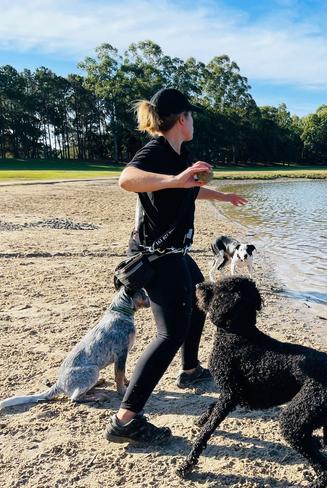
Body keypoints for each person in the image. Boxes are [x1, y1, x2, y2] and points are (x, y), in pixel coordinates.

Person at [104, 88, 248, 444]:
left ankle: (189, 369)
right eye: (191, 115)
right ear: (181, 119)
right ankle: (125, 420)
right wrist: (175, 180)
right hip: (157, 257)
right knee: (170, 334)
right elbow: (127, 179)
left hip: (176, 254)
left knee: (202, 297)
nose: (193, 121)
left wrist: (223, 195)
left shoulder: (180, 153)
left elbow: (190, 190)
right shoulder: (155, 150)